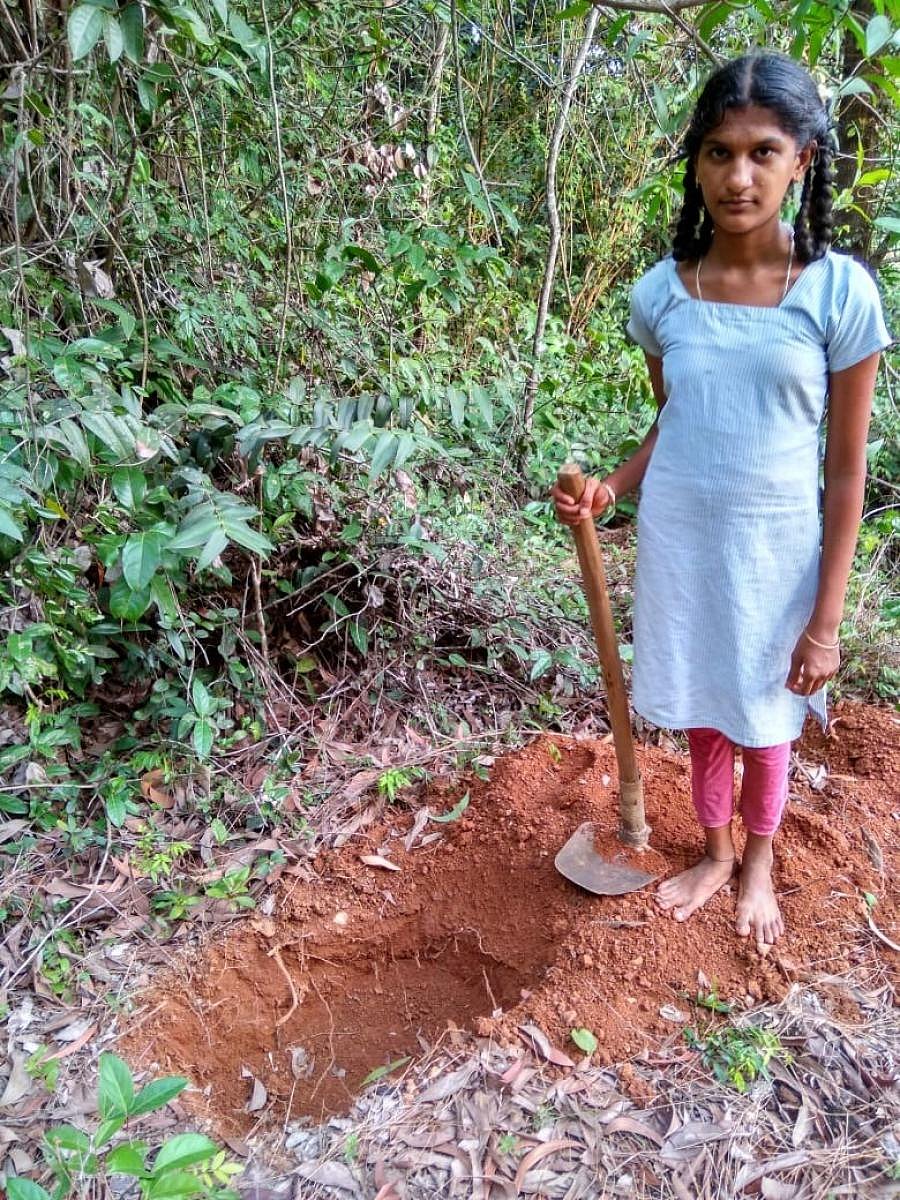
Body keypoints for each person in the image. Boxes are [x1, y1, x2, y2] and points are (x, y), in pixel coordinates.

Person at [551, 51, 891, 952]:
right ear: (696, 162)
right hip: (682, 541)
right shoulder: (664, 293)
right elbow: (677, 420)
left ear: (804, 159)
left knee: (766, 712)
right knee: (706, 705)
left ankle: (760, 860)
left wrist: (827, 619)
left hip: (778, 551)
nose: (738, 177)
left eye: (763, 152)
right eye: (717, 152)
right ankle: (711, 848)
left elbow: (846, 472)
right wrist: (610, 489)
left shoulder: (839, 294)